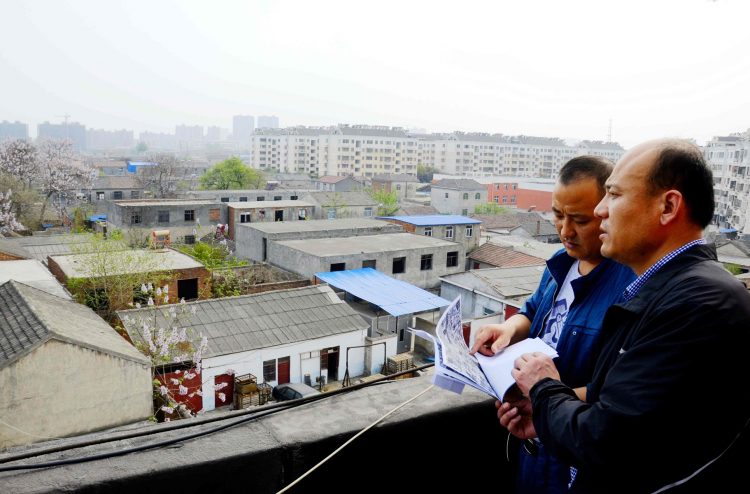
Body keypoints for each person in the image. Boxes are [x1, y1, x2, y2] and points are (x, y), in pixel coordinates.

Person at [504, 139, 750, 493]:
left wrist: (544, 387)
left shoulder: (699, 302)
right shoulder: (663, 291)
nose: (601, 210)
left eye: (614, 195)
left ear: (668, 207)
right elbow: (615, 405)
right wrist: (545, 413)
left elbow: (607, 442)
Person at [470, 156, 635, 494]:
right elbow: (533, 311)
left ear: (606, 212)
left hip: (574, 447)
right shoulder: (562, 263)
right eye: (558, 215)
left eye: (579, 220)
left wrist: (543, 401)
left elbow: (617, 389)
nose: (565, 230)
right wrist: (509, 329)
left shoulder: (629, 284)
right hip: (534, 441)